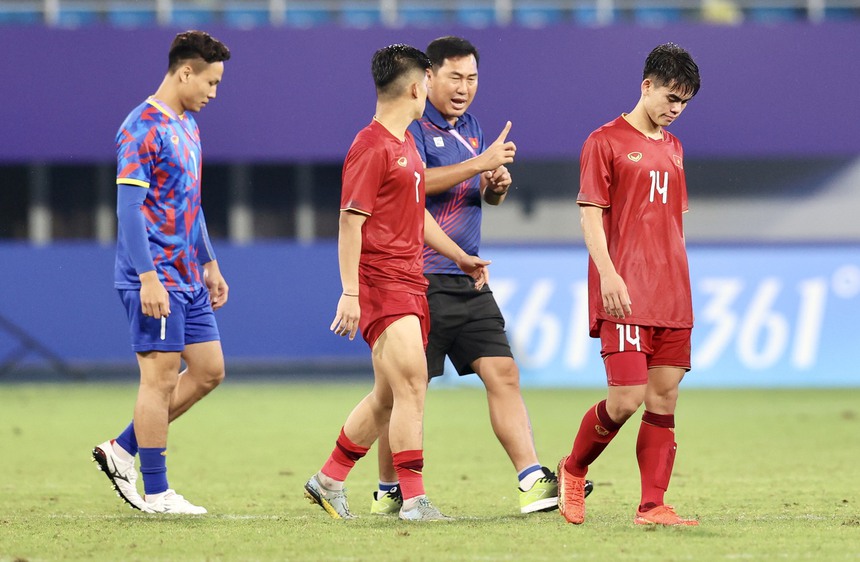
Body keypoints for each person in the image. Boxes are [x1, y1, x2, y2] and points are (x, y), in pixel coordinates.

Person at [369, 36, 590, 517]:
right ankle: (389, 489)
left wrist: (494, 187)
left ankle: (531, 480)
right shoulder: (411, 126)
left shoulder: (470, 127)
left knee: (504, 373)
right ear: (428, 78)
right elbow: (411, 186)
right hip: (418, 277)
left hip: (466, 275)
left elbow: (472, 193)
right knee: (404, 392)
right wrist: (477, 164)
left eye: (472, 78)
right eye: (455, 77)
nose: (464, 88)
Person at [304, 43, 491, 523]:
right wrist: (349, 292)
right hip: (381, 282)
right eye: (429, 80)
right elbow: (350, 222)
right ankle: (414, 499)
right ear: (415, 86)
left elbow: (416, 215)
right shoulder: (370, 146)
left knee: (389, 396)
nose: (432, 87)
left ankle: (328, 478)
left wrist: (461, 256)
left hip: (411, 280)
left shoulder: (405, 142)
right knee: (413, 383)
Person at [557, 43, 701, 527]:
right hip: (623, 290)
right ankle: (573, 469)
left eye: (683, 101)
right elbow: (590, 217)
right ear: (646, 86)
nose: (674, 108)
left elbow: (674, 223)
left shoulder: (676, 148)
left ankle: (652, 505)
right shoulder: (605, 140)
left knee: (664, 399)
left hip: (671, 294)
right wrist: (609, 273)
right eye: (669, 96)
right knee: (625, 399)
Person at [92, 30, 231, 515]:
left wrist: (210, 261)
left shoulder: (188, 125)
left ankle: (122, 449)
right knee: (160, 380)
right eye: (210, 82)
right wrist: (148, 276)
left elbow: (189, 204)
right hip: (156, 278)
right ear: (184, 71)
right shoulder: (140, 127)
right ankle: (157, 491)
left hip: (190, 275)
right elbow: (129, 209)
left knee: (209, 371)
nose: (214, 93)